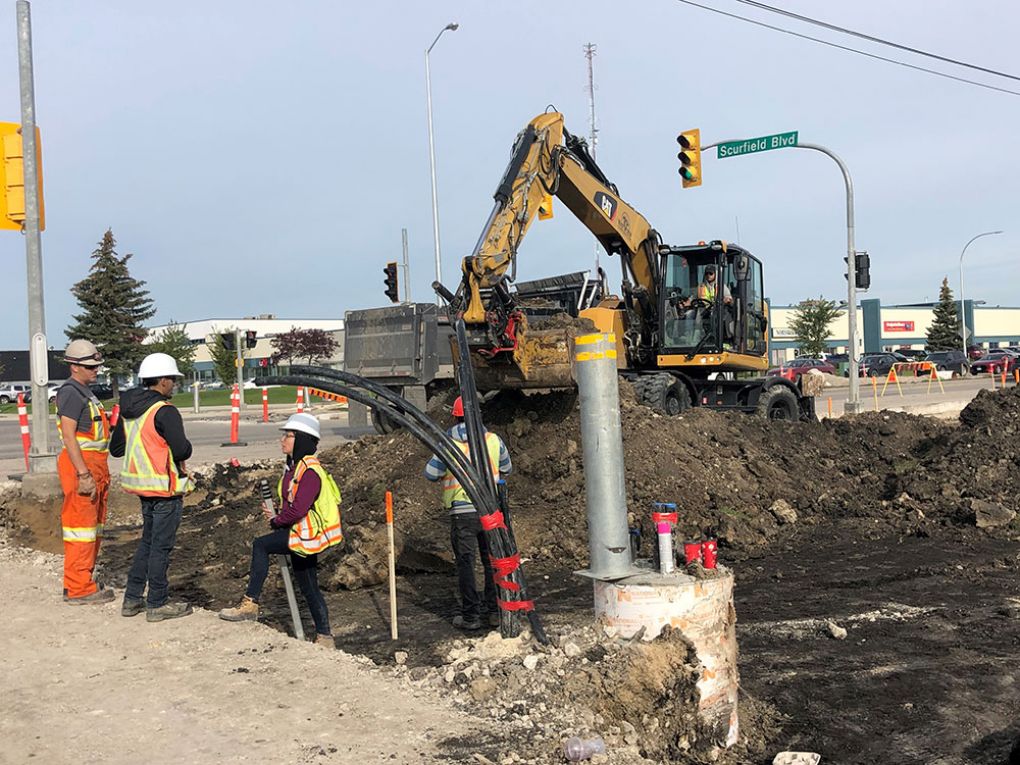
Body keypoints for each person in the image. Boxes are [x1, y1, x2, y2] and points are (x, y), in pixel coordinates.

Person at [218, 413, 342, 646]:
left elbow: (299, 510)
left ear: (302, 439)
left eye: (288, 435)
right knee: (308, 586)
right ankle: (325, 636)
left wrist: (278, 521)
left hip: (306, 536)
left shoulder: (311, 472)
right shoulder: (295, 468)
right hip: (301, 534)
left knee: (261, 545)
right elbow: (292, 503)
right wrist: (278, 512)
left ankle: (250, 603)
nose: (282, 439)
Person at [109, 352, 194, 622]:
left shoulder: (130, 410)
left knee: (147, 543)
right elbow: (182, 449)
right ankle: (157, 603)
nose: (174, 384)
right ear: (163, 381)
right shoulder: (164, 411)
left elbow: (117, 449)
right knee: (161, 547)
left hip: (143, 489)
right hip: (165, 490)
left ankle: (132, 599)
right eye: (173, 379)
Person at [424, 396, 512, 631]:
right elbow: (507, 467)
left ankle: (471, 616)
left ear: (455, 416)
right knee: (492, 561)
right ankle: (494, 612)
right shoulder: (493, 441)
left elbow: (430, 473)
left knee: (466, 563)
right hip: (489, 512)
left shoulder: (447, 444)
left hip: (462, 514)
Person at [56, 339, 115, 605]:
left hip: (95, 464)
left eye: (97, 365)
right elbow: (69, 436)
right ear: (74, 366)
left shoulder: (84, 391)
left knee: (92, 528)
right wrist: (83, 473)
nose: (96, 370)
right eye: (91, 366)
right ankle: (78, 587)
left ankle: (83, 580)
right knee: (81, 528)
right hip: (82, 465)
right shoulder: (71, 392)